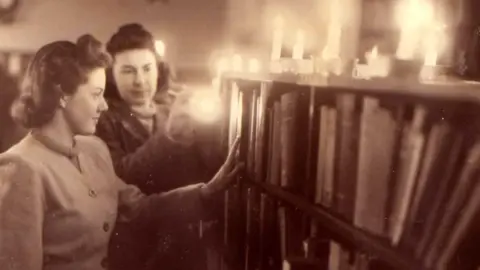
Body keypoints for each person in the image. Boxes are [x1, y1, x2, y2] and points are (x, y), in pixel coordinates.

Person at [0, 34, 241, 270]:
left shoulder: (94, 150)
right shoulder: (21, 166)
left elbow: (138, 209)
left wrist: (207, 192)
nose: (104, 105)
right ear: (63, 95)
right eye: (96, 94)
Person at [95, 23, 224, 270]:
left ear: (158, 69)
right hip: (134, 245)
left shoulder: (174, 108)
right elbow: (118, 177)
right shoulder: (102, 118)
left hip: (183, 239)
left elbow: (209, 170)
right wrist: (169, 139)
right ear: (111, 74)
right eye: (128, 71)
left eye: (147, 68)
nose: (140, 81)